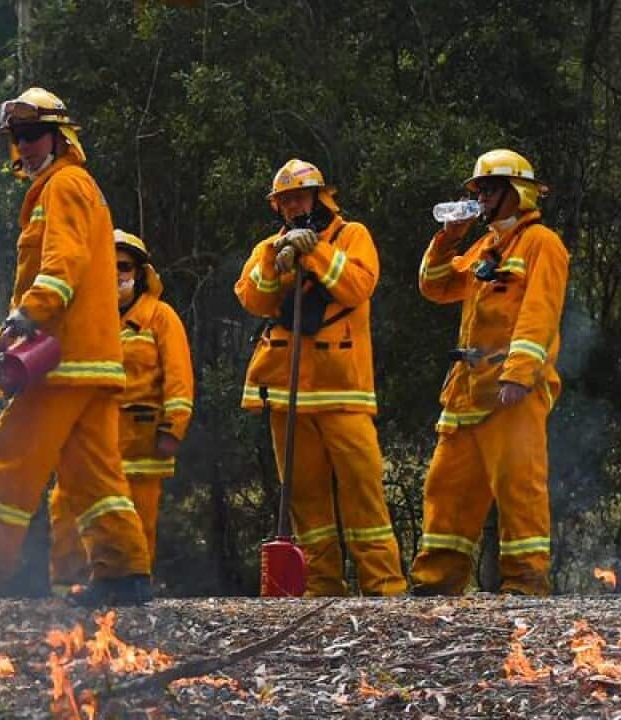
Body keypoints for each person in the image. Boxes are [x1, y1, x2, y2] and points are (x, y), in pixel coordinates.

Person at [0, 88, 152, 606]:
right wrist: (4, 340)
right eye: (17, 139)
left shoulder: (62, 186)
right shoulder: (78, 185)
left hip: (62, 364)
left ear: (60, 136)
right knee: (95, 476)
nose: (24, 147)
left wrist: (28, 315)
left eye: (32, 135)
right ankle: (125, 574)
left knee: (8, 458)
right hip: (95, 363)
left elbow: (60, 268)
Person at [235, 158, 407, 597]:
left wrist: (315, 251)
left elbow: (356, 286)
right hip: (287, 390)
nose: (293, 206)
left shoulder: (353, 236)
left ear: (319, 196)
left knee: (363, 489)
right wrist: (278, 257)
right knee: (305, 498)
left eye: (300, 197)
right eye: (285, 200)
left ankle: (383, 586)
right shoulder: (267, 247)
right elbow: (253, 297)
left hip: (342, 387)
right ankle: (321, 585)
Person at [410, 148, 569, 596]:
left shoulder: (542, 244)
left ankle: (524, 583)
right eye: (477, 189)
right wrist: (447, 238)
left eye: (487, 188)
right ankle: (435, 583)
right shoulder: (486, 246)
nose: (479, 197)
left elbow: (540, 312)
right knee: (447, 486)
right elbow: (435, 286)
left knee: (520, 486)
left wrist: (519, 374)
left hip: (511, 390)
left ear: (515, 192)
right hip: (467, 391)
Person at [47, 230, 195, 595]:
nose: (115, 273)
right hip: (87, 442)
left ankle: (130, 596)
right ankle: (67, 593)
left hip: (140, 443)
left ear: (141, 272)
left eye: (124, 266)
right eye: (106, 266)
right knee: (66, 512)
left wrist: (172, 429)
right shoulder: (82, 318)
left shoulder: (160, 318)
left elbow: (179, 380)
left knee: (136, 522)